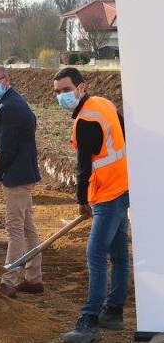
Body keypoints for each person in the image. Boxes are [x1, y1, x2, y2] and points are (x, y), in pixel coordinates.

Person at [53, 67, 129, 343]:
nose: (62, 95)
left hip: (108, 195)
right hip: (122, 188)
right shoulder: (104, 104)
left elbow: (83, 168)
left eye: (66, 89)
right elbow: (125, 135)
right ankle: (114, 311)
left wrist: (82, 201)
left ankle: (89, 321)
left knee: (95, 253)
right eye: (58, 92)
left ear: (81, 87)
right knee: (119, 253)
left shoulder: (86, 120)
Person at [0, 64, 42, 299]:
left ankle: (8, 281)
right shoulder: (11, 101)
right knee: (28, 228)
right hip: (21, 173)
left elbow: (7, 149)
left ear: (6, 80)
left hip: (17, 177)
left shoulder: (10, 107)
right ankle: (34, 278)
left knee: (15, 228)